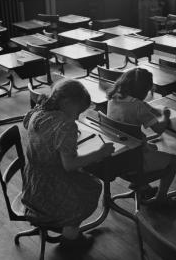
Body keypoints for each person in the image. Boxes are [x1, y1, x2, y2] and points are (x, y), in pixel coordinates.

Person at [22, 79, 115, 249]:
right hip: (53, 187)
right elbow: (69, 165)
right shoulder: (65, 124)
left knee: (85, 181)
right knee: (92, 186)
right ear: (66, 102)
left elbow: (29, 125)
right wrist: (99, 153)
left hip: (33, 182)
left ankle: (66, 228)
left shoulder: (39, 110)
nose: (78, 116)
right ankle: (70, 238)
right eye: (78, 111)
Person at [107, 68, 176, 207]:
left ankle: (141, 186)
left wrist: (151, 110)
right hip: (134, 160)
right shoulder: (138, 107)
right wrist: (166, 116)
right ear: (142, 91)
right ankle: (161, 197)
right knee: (174, 161)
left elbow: (137, 106)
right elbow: (159, 129)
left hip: (118, 156)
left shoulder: (113, 98)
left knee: (152, 147)